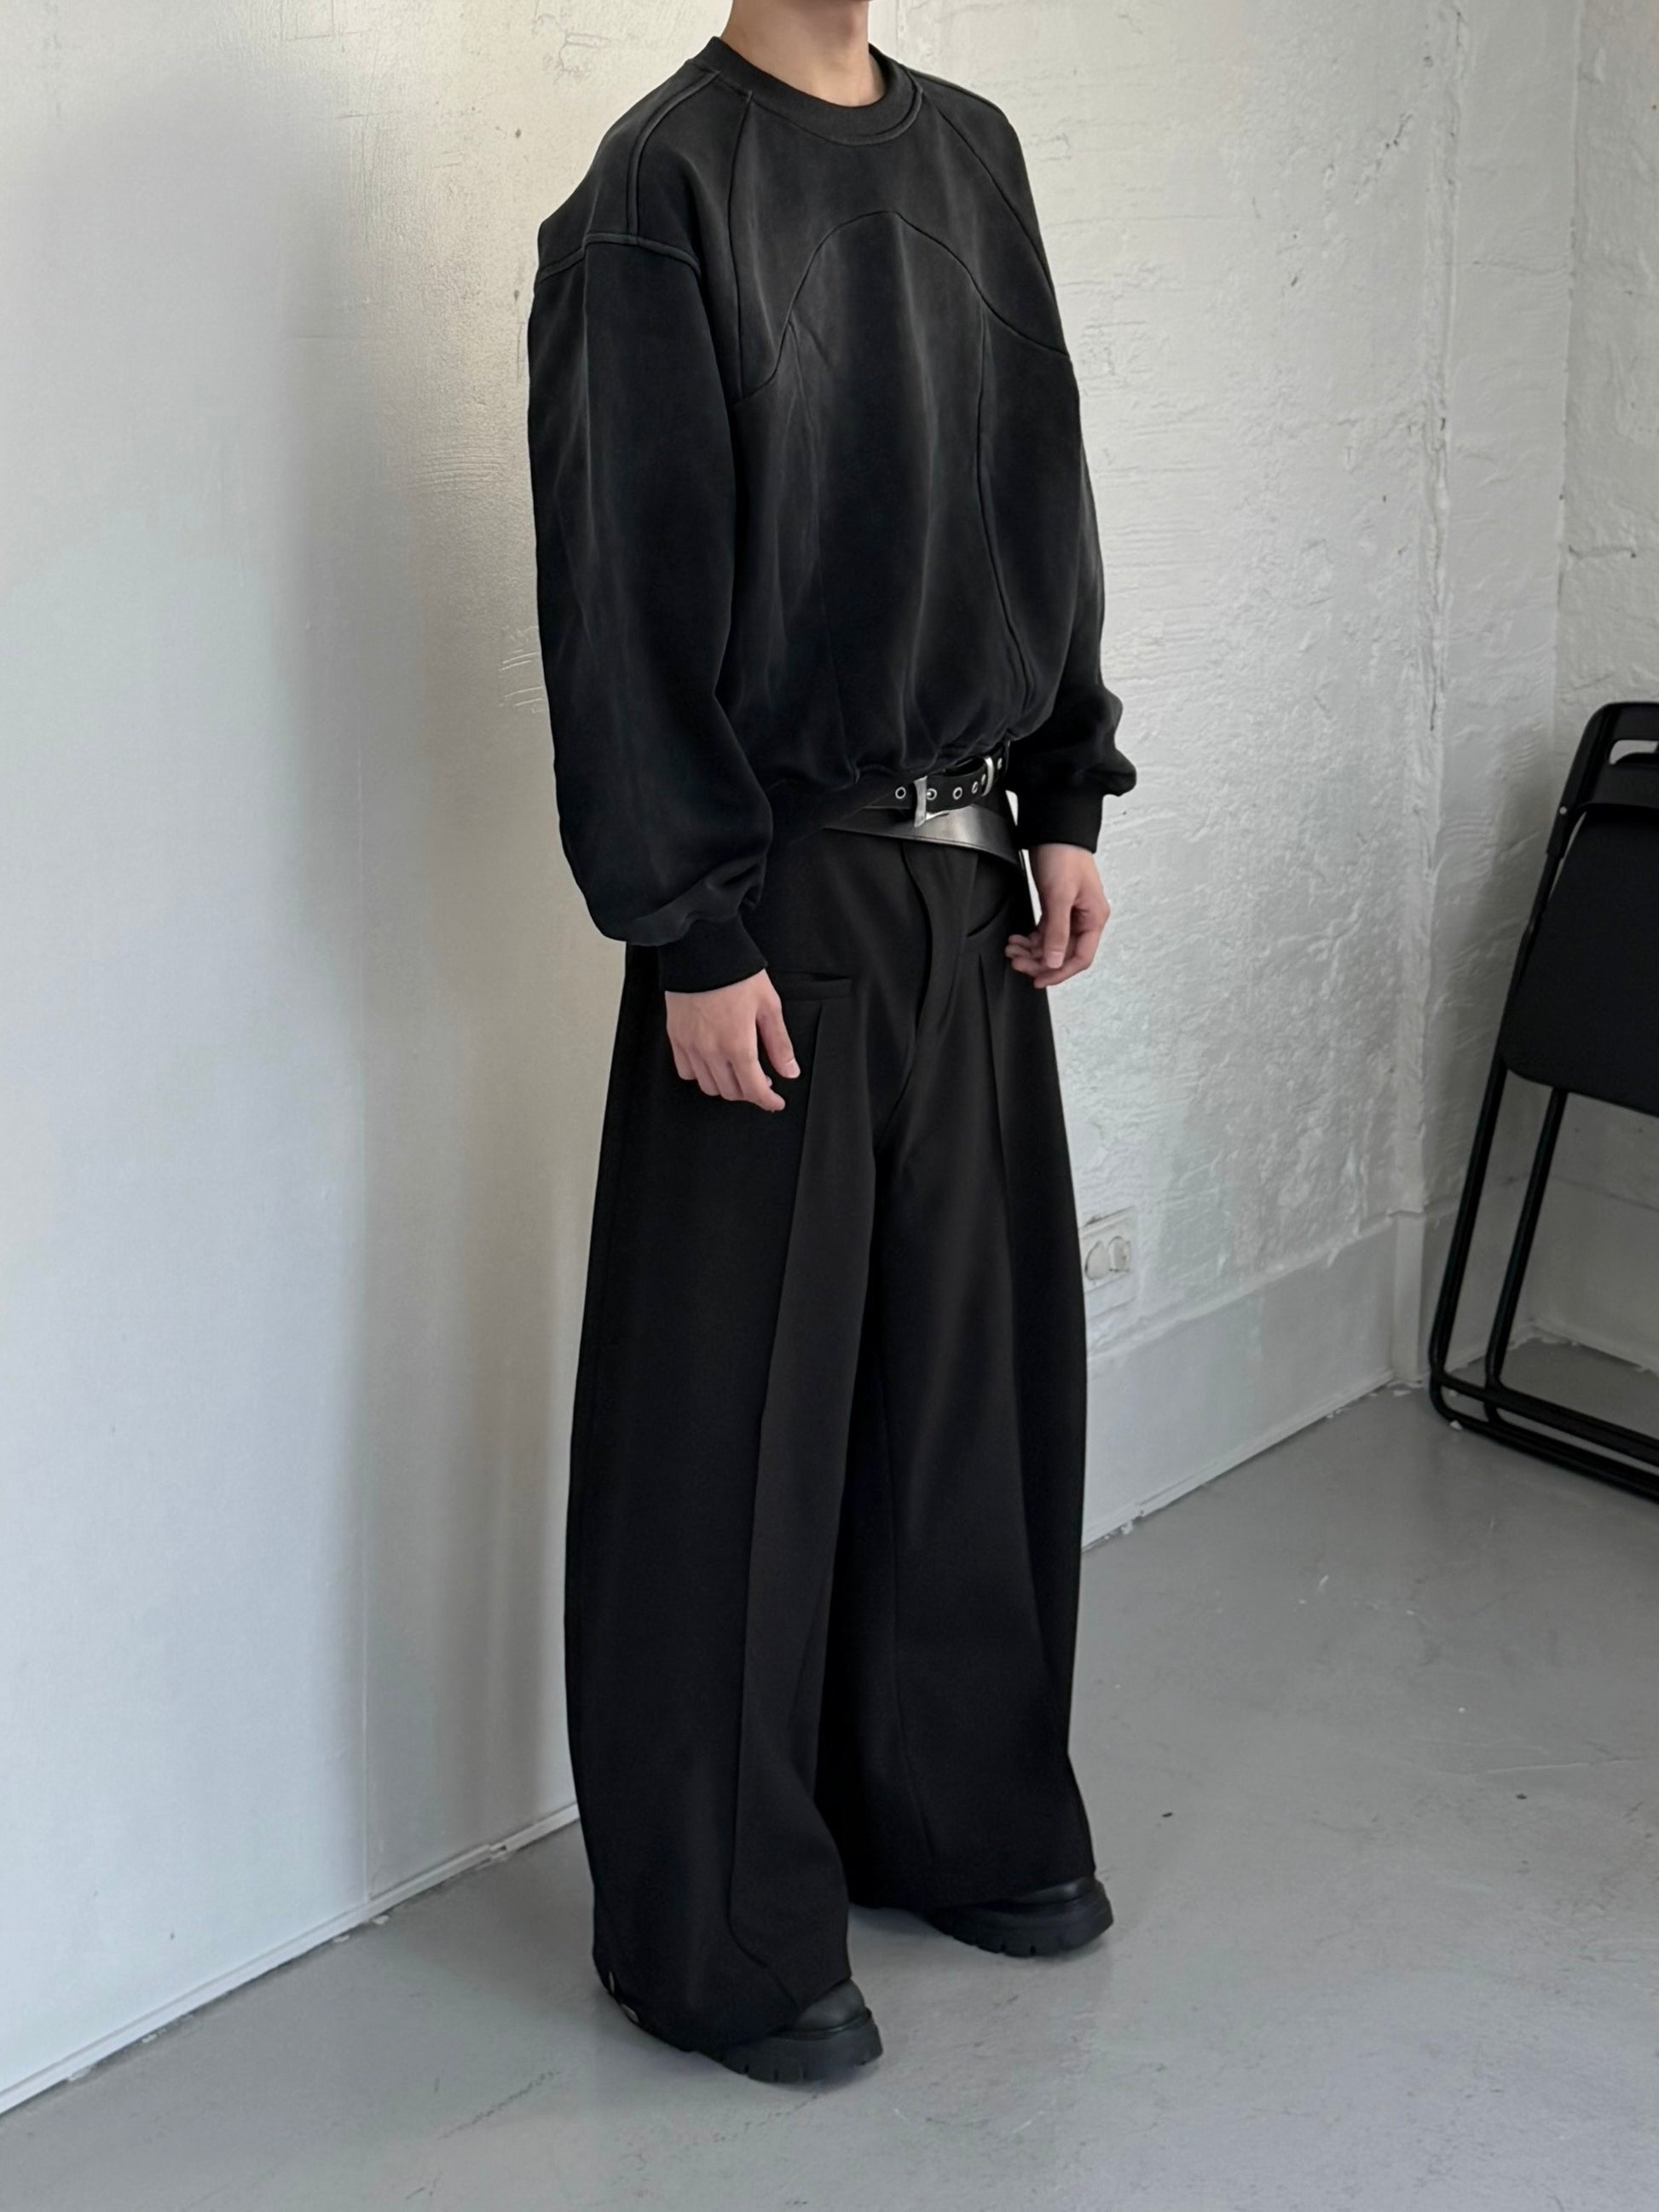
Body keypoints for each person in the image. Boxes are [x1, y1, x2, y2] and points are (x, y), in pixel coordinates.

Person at [525, 0, 1136, 2087]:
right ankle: (714, 1924)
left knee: (966, 1389)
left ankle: (954, 1809)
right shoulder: (656, 186)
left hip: (970, 883)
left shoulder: (974, 150)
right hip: (772, 891)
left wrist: (1065, 789)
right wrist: (688, 925)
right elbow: (617, 587)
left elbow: (1037, 478)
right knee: (733, 1441)